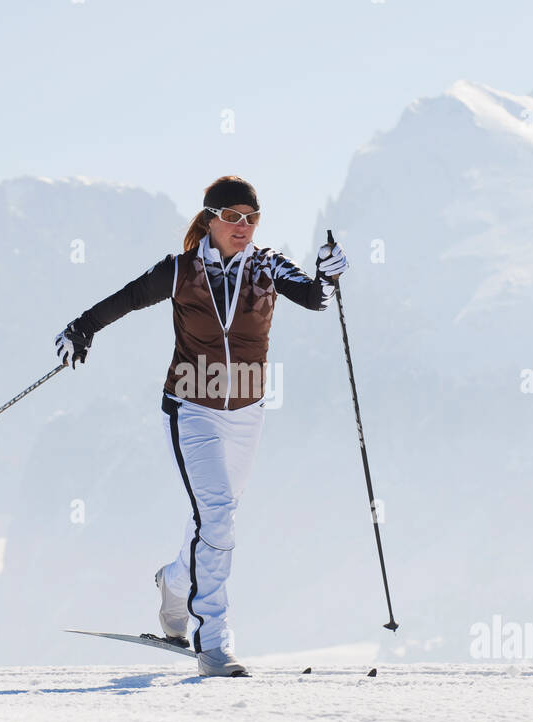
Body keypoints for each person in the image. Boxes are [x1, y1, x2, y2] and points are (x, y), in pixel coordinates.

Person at [54, 175, 348, 676]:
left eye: (251, 218)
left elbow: (315, 298)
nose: (243, 226)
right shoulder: (181, 271)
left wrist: (329, 275)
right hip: (193, 408)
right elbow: (127, 298)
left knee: (217, 523)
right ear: (210, 218)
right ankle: (212, 642)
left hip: (247, 413)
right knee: (217, 519)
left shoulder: (267, 266)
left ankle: (172, 582)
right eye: (232, 216)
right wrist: (82, 328)